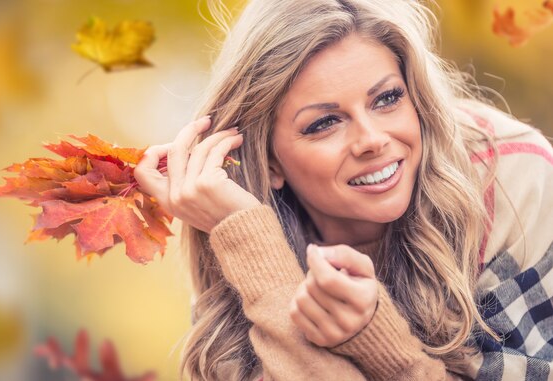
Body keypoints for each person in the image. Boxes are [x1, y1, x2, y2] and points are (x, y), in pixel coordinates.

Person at [133, 0, 553, 380]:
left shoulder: (514, 183)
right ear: (270, 161)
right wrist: (254, 250)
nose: (371, 139)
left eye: (387, 98)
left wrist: (377, 342)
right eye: (323, 123)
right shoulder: (237, 230)